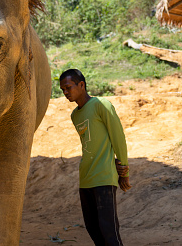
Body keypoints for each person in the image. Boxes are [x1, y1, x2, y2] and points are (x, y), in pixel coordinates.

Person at [59, 69, 131, 246]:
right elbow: (92, 144)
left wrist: (124, 169)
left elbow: (118, 137)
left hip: (104, 178)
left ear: (81, 85)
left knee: (109, 232)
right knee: (93, 230)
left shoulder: (101, 104)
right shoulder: (75, 115)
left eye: (68, 87)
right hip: (85, 179)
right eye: (62, 90)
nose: (65, 93)